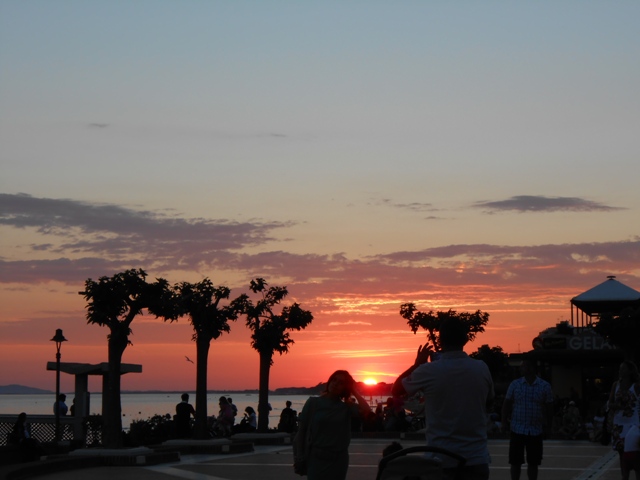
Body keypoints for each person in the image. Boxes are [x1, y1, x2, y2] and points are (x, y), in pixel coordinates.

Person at [392, 317, 494, 480]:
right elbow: (489, 402)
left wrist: (416, 364)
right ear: (466, 339)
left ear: (440, 340)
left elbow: (396, 390)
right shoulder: (481, 368)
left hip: (440, 460)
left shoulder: (428, 371)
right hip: (476, 459)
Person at [293, 370, 370, 480]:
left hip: (338, 460)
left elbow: (367, 411)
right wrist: (299, 457)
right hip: (316, 458)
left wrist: (353, 390)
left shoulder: (346, 407)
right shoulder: (313, 403)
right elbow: (301, 431)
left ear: (345, 388)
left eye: (341, 383)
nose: (335, 384)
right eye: (334, 380)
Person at [501, 358, 554, 480]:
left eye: (523, 366)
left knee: (533, 462)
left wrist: (549, 427)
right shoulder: (515, 384)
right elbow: (506, 404)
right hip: (517, 428)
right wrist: (504, 423)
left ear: (531, 368)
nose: (521, 368)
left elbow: (549, 408)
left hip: (535, 430)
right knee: (515, 462)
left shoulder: (544, 386)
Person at [608, 360, 640, 479]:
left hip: (634, 424)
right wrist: (617, 405)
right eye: (620, 368)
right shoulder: (616, 385)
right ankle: (624, 477)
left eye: (623, 368)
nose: (620, 370)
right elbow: (610, 403)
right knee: (622, 455)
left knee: (636, 454)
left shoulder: (636, 385)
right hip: (619, 424)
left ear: (630, 371)